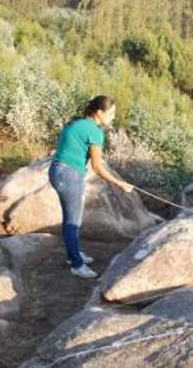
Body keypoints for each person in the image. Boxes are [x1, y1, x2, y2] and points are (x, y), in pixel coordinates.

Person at [49, 95, 134, 279]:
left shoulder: (76, 123)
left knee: (70, 218)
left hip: (57, 171)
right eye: (111, 114)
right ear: (99, 112)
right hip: (69, 175)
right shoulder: (95, 132)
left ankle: (74, 254)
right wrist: (119, 183)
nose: (113, 117)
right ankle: (76, 264)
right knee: (72, 221)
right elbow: (97, 167)